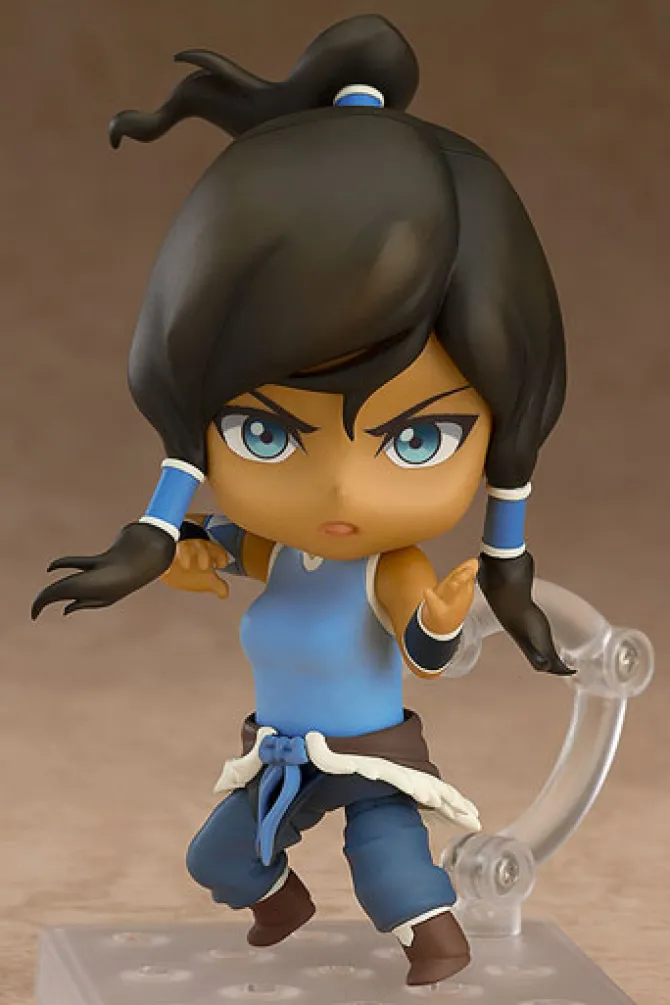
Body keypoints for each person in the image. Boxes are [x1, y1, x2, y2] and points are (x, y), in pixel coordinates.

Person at [32, 14, 573, 986]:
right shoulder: (277, 546)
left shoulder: (387, 565)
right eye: (266, 433)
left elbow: (423, 643)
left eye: (416, 439)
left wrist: (440, 620)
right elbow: (224, 547)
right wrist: (192, 552)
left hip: (367, 755)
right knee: (217, 859)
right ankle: (280, 901)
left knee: (390, 869)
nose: (340, 489)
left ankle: (437, 944)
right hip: (278, 752)